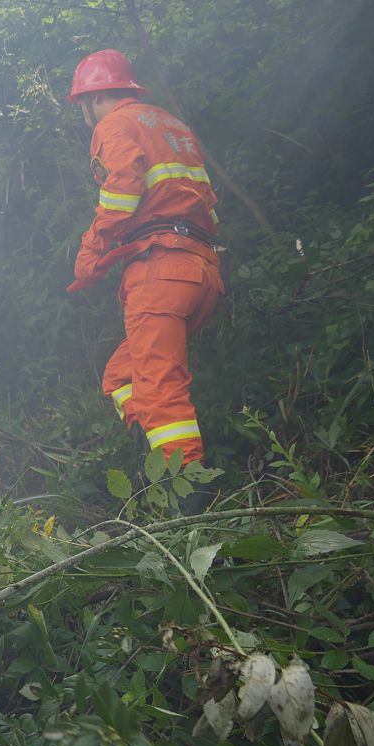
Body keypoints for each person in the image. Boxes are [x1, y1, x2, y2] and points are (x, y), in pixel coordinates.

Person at [66, 49, 225, 469]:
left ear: (92, 99)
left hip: (162, 270)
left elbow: (123, 185)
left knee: (157, 387)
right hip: (201, 268)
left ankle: (188, 497)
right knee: (122, 377)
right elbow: (202, 204)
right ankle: (156, 459)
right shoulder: (171, 126)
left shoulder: (113, 123)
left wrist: (92, 251)